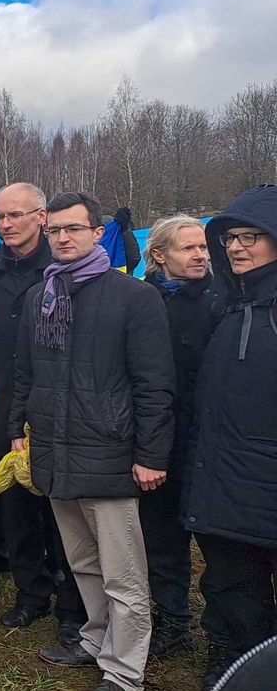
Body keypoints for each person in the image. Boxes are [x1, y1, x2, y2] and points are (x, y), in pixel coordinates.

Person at [8, 192, 175, 691]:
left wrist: (151, 454)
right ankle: (94, 638)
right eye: (55, 229)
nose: (63, 237)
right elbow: (25, 371)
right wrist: (18, 428)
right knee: (82, 561)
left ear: (96, 232)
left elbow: (155, 386)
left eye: (74, 228)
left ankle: (125, 673)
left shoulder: (134, 297)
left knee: (124, 574)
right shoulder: (43, 296)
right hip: (54, 453)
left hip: (109, 454)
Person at [0, 182, 85, 645]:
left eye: (15, 216)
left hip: (55, 407)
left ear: (41, 217)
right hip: (1, 404)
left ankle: (72, 602)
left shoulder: (64, 268)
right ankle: (30, 594)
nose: (6, 225)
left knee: (60, 510)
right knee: (12, 506)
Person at [182, 185, 277, 690]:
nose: (238, 248)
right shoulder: (222, 304)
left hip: (266, 472)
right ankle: (236, 680)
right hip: (221, 476)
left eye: (253, 238)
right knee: (230, 587)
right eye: (232, 239)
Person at [140, 215, 214, 660]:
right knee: (162, 537)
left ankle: (226, 628)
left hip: (204, 437)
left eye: (203, 247)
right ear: (160, 254)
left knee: (214, 544)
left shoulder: (218, 299)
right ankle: (172, 620)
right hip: (155, 436)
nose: (200, 255)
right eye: (189, 248)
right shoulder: (141, 298)